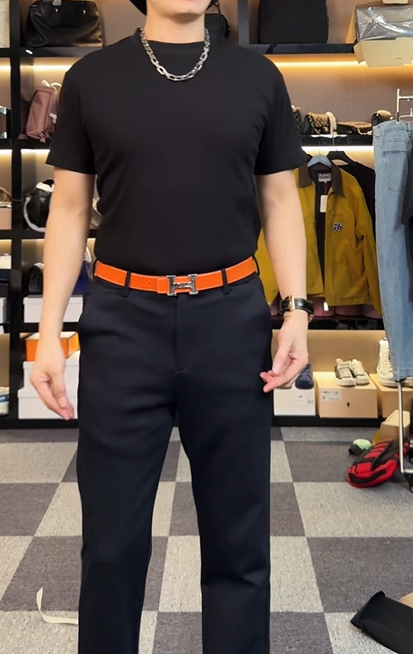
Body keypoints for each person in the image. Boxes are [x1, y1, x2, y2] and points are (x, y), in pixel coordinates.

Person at [30, 1, 311, 652]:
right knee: (111, 542)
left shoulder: (257, 77)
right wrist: (47, 333)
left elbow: (279, 200)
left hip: (230, 322)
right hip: (123, 324)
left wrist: (296, 308)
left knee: (238, 541)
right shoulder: (92, 78)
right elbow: (69, 208)